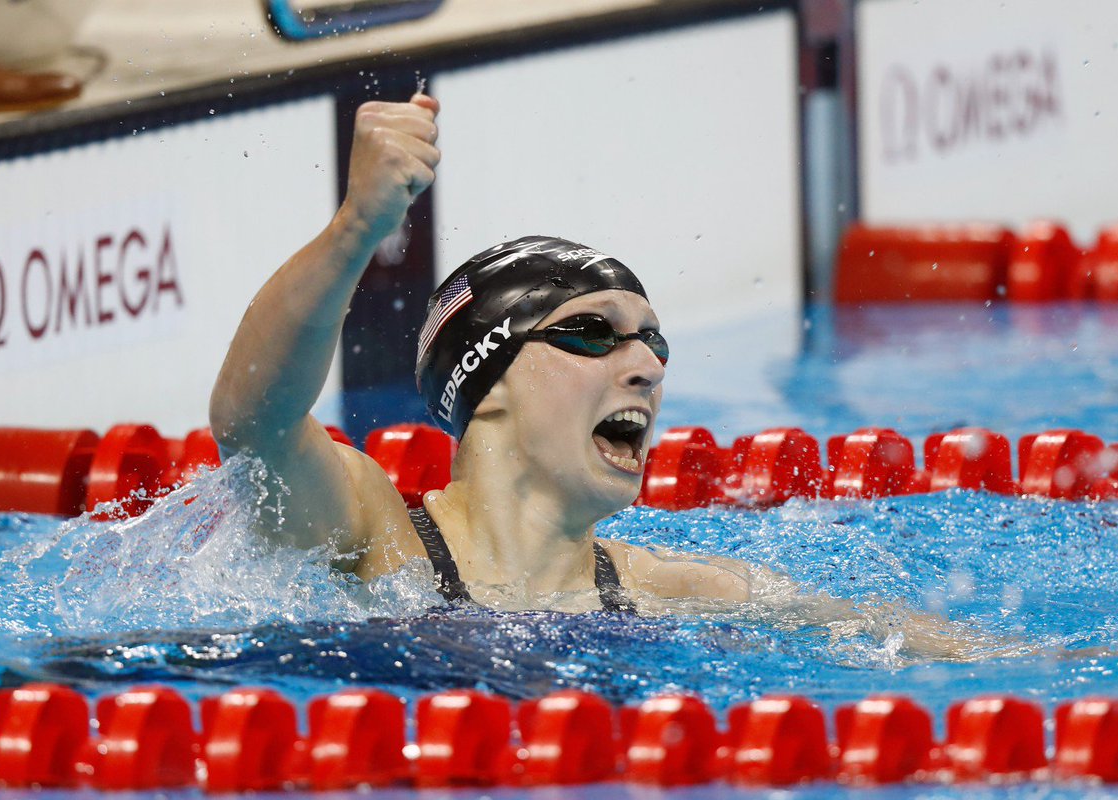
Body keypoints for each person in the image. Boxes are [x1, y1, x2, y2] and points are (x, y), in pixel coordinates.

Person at [210, 94, 981, 658]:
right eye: (594, 333)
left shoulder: (669, 590)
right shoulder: (379, 543)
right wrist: (355, 229)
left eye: (653, 342)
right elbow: (254, 422)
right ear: (490, 377)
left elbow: (910, 638)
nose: (645, 366)